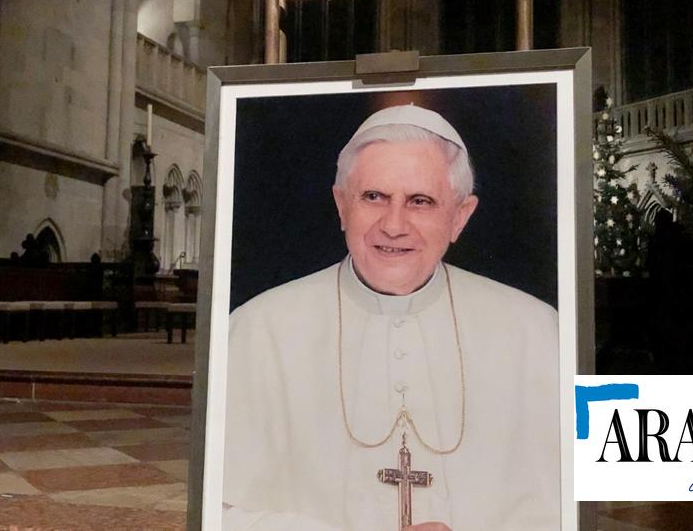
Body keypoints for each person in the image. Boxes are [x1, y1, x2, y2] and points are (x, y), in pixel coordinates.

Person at [223, 104, 560, 530]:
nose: (394, 225)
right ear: (342, 205)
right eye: (374, 197)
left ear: (460, 216)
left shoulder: (533, 330)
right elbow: (221, 510)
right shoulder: (260, 329)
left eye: (420, 201)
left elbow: (567, 507)